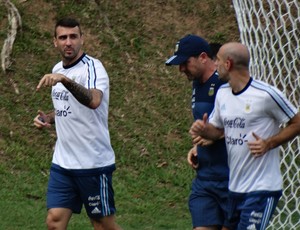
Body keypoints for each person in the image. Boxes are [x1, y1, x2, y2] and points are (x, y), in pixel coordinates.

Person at [189, 42, 300, 230]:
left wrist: (269, 143)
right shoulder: (223, 93)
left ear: (228, 64)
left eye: (218, 60)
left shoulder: (265, 94)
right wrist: (204, 129)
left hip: (261, 189)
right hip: (235, 188)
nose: (215, 64)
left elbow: (297, 122)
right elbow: (217, 130)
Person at [33, 18, 121, 230]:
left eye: (73, 36)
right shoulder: (57, 69)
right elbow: (68, 107)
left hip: (92, 164)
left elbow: (93, 101)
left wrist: (65, 80)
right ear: (55, 42)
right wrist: (48, 118)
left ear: (82, 39)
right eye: (63, 37)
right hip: (63, 164)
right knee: (54, 221)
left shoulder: (93, 68)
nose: (68, 42)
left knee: (103, 225)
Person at [165, 35, 231, 230]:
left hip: (231, 179)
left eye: (185, 63)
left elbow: (245, 123)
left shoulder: (226, 83)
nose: (181, 69)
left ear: (203, 57)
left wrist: (217, 136)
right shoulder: (197, 83)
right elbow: (206, 123)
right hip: (205, 180)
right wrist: (196, 146)